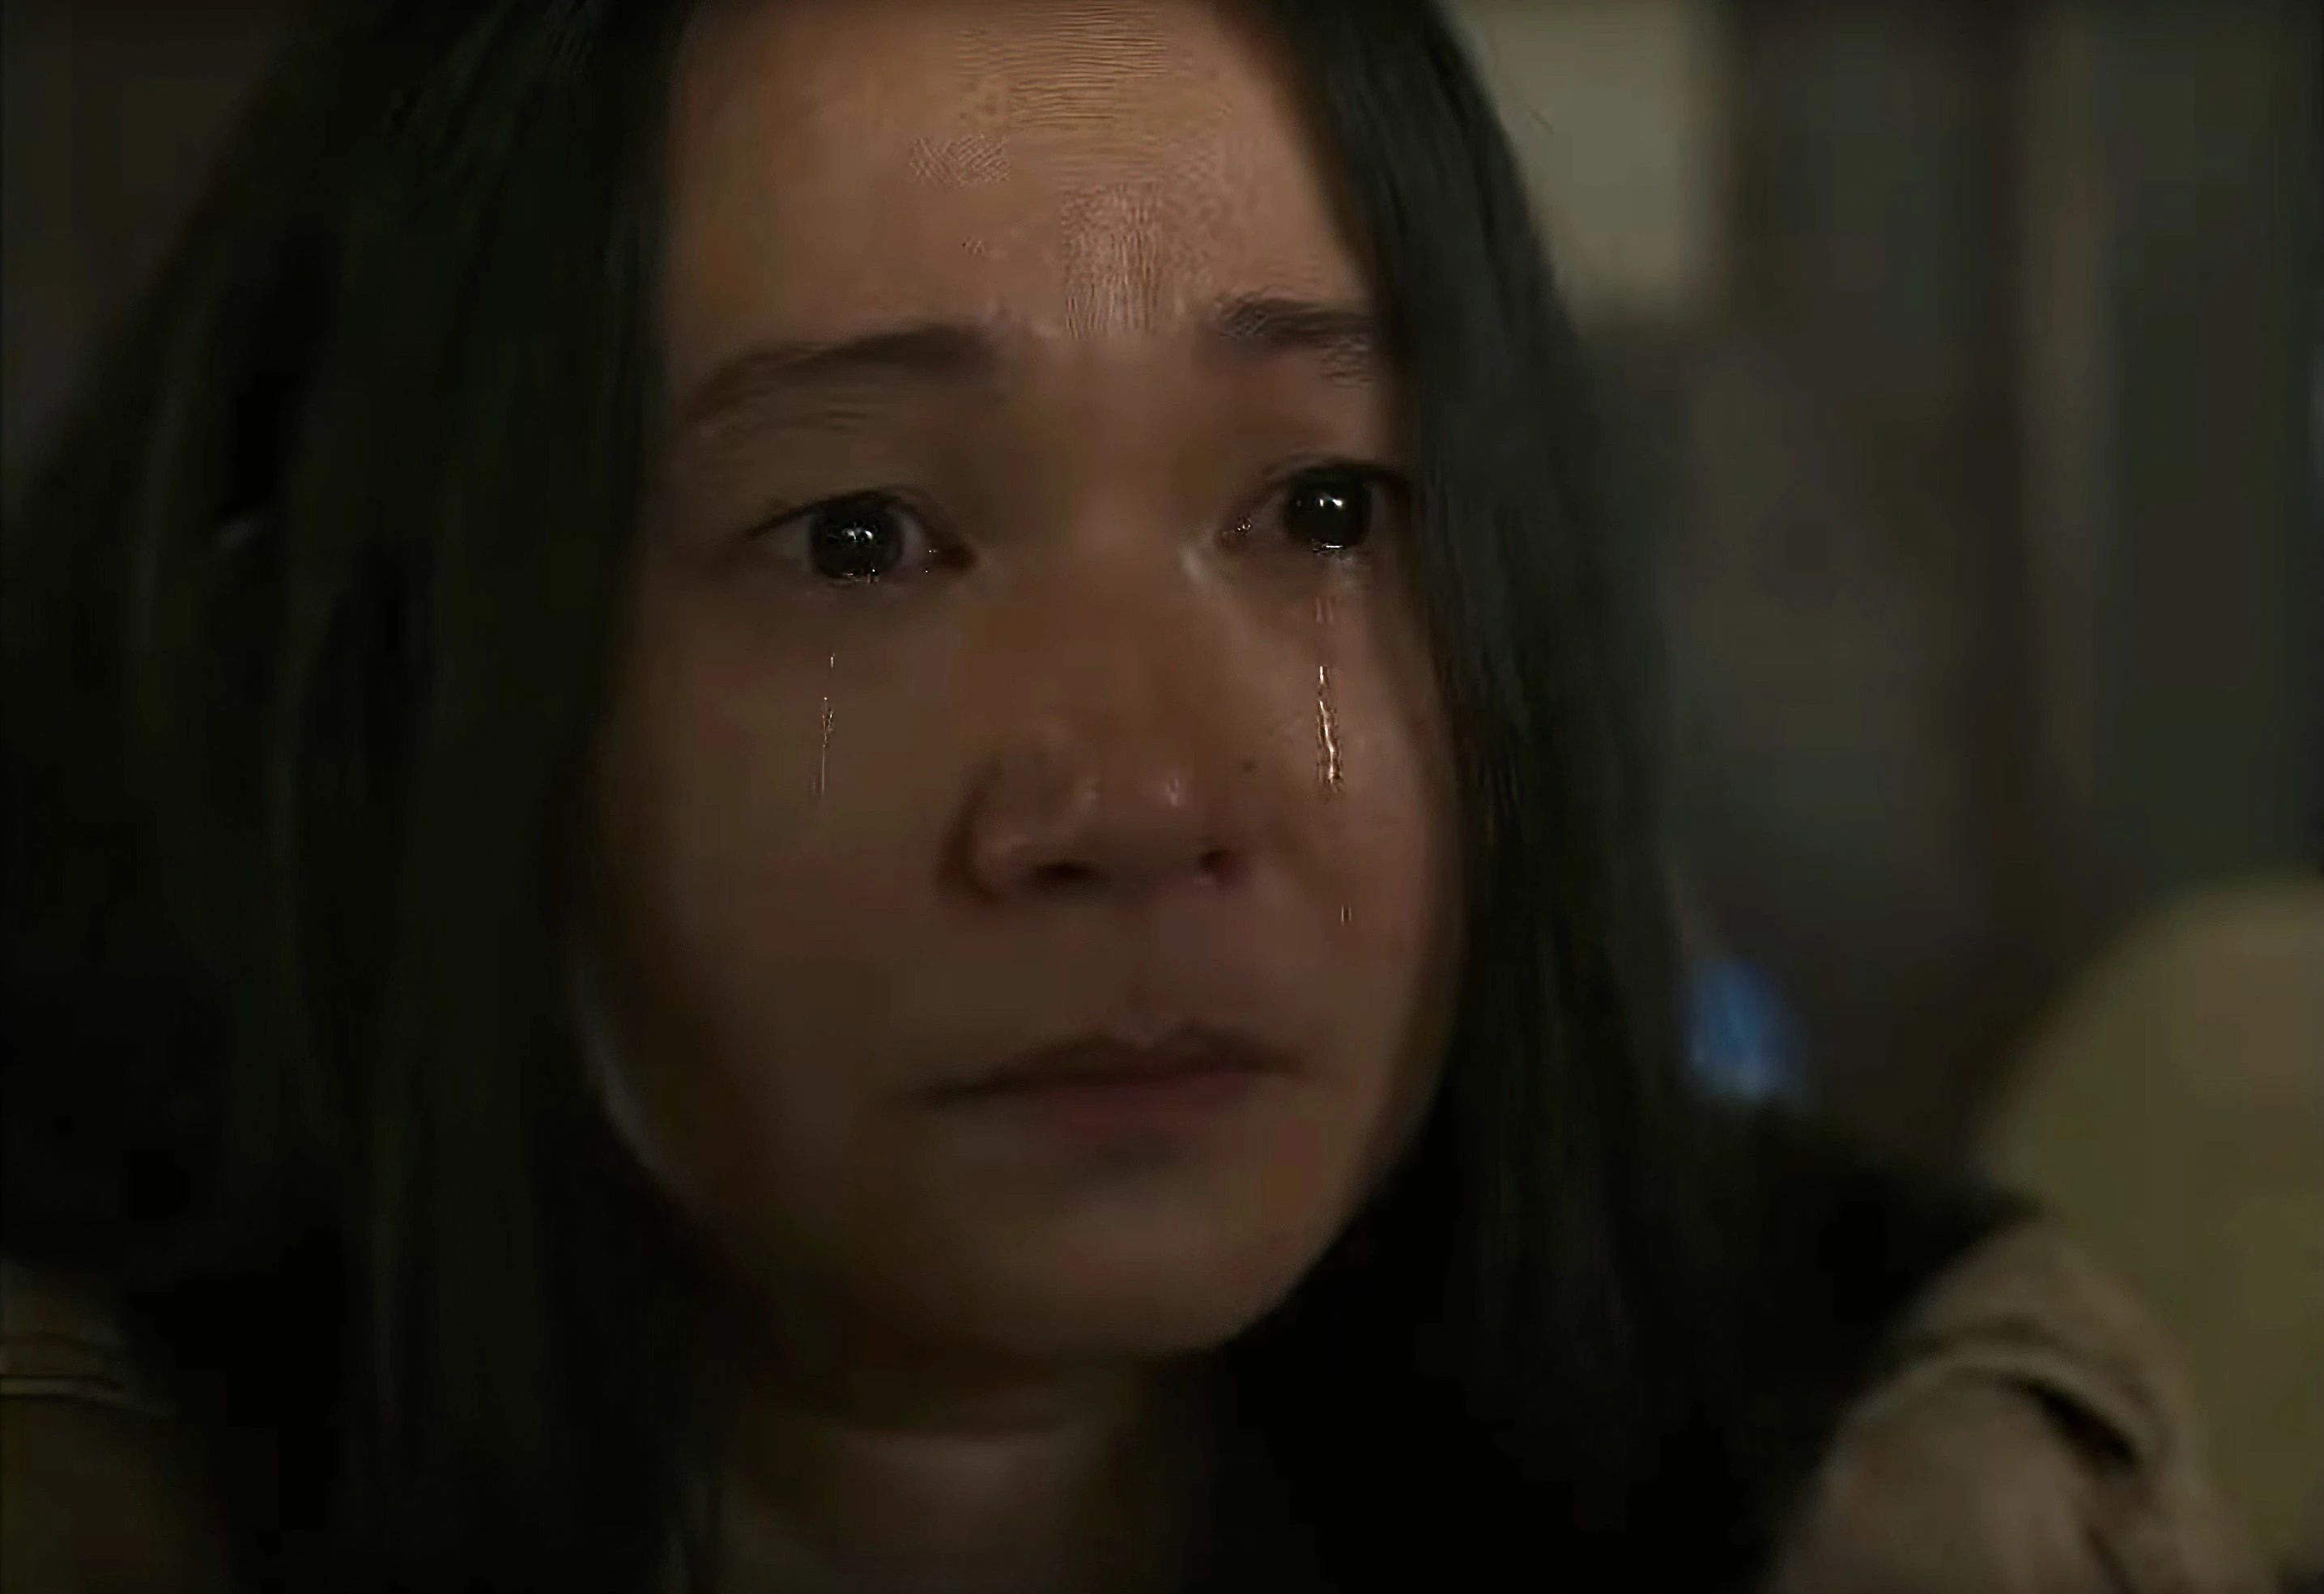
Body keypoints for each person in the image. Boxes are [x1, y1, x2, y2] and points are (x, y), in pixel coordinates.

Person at [0, 2, 2264, 1591]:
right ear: (383, 678)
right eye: (860, 539)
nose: (1155, 796)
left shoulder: (1893, 1482)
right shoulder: (100, 1495)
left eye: (1320, 508)